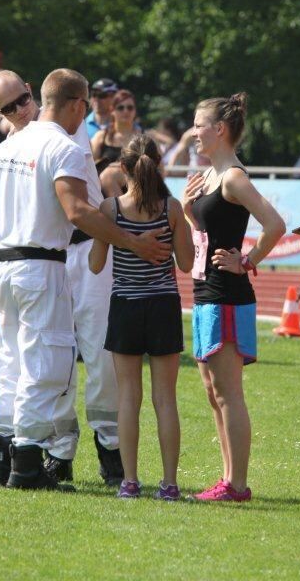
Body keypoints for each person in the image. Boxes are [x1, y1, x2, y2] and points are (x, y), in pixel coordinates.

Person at [0, 69, 171, 491]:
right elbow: (79, 211)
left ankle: (7, 454)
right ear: (80, 106)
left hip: (14, 261)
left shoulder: (9, 145)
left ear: (35, 94)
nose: (17, 111)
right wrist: (134, 242)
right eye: (7, 108)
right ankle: (30, 461)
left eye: (20, 102)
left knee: (14, 360)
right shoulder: (62, 144)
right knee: (48, 362)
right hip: (49, 257)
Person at [181, 93, 285, 501]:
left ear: (219, 130)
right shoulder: (210, 176)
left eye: (198, 124)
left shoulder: (233, 178)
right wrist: (190, 210)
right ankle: (227, 478)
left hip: (227, 294)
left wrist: (248, 259)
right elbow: (208, 234)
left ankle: (237, 484)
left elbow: (275, 223)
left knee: (228, 392)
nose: (193, 132)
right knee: (212, 391)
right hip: (206, 290)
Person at [89, 134, 194, 499]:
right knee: (165, 398)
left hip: (126, 306)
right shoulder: (172, 208)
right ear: (158, 164)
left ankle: (130, 481)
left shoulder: (110, 209)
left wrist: (111, 237)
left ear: (123, 168)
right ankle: (169, 484)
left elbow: (95, 263)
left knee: (128, 397)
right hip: (163, 304)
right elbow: (186, 263)